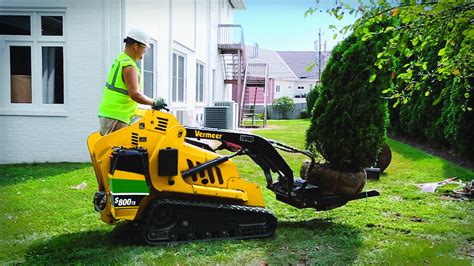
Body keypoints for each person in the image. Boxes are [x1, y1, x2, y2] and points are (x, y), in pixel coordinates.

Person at [98, 28, 167, 136]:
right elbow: (135, 94)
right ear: (136, 46)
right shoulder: (129, 66)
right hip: (117, 117)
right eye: (144, 48)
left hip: (111, 114)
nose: (145, 52)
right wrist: (154, 102)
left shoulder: (121, 59)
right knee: (121, 151)